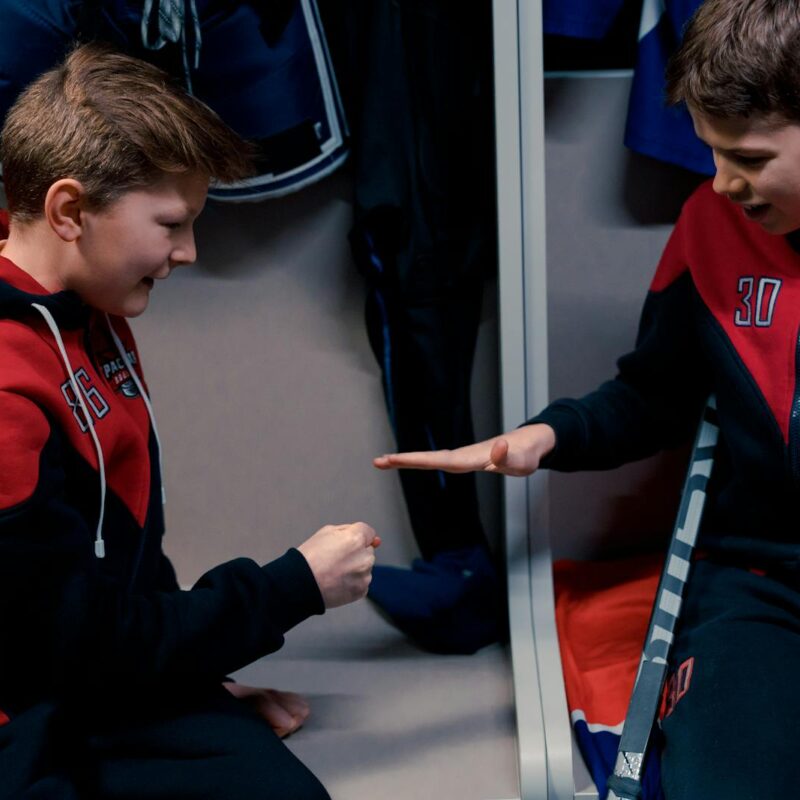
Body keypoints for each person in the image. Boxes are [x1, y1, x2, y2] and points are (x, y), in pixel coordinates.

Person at [375, 0, 800, 796]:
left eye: (747, 157)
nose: (722, 183)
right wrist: (547, 438)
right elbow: (654, 392)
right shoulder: (712, 224)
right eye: (711, 154)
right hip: (764, 586)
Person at [0, 44, 379, 800]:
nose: (188, 251)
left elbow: (115, 565)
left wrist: (195, 673)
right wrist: (293, 587)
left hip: (89, 669)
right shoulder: (8, 389)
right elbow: (66, 647)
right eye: (171, 223)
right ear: (69, 211)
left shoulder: (88, 307)